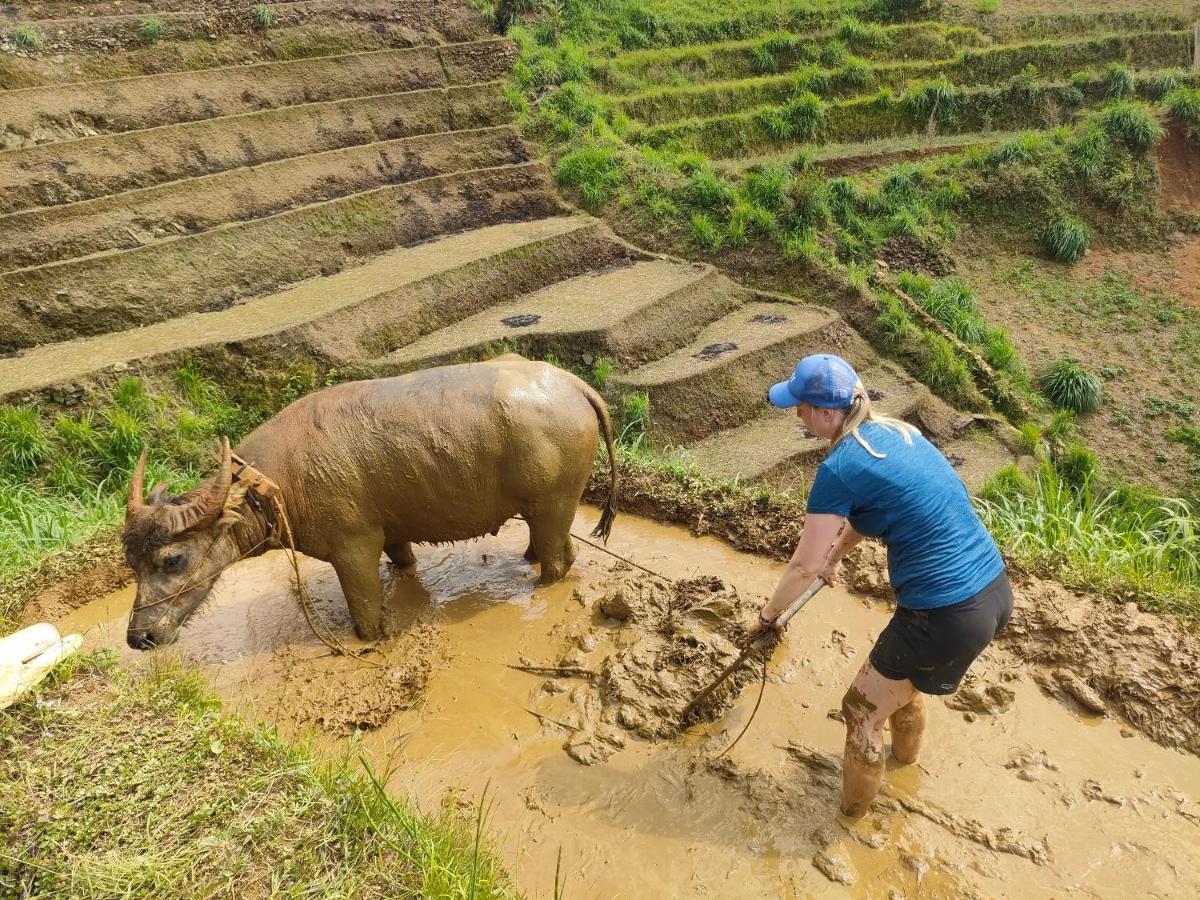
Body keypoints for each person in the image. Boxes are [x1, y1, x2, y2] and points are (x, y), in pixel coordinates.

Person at [754, 353, 1012, 818]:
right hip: (991, 591)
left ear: (826, 413)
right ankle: (904, 768)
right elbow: (865, 517)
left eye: (801, 405)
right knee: (902, 690)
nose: (796, 413)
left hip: (942, 613)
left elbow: (801, 566)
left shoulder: (839, 468)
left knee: (859, 710)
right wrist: (835, 557)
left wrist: (768, 616)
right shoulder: (898, 434)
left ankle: (849, 824)